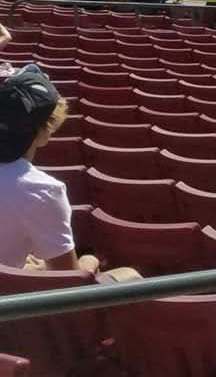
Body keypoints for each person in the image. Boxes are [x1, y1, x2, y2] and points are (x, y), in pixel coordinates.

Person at [0, 65, 135, 278]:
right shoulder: (42, 190)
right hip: (13, 305)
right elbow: (65, 281)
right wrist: (88, 263)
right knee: (129, 274)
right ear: (43, 131)